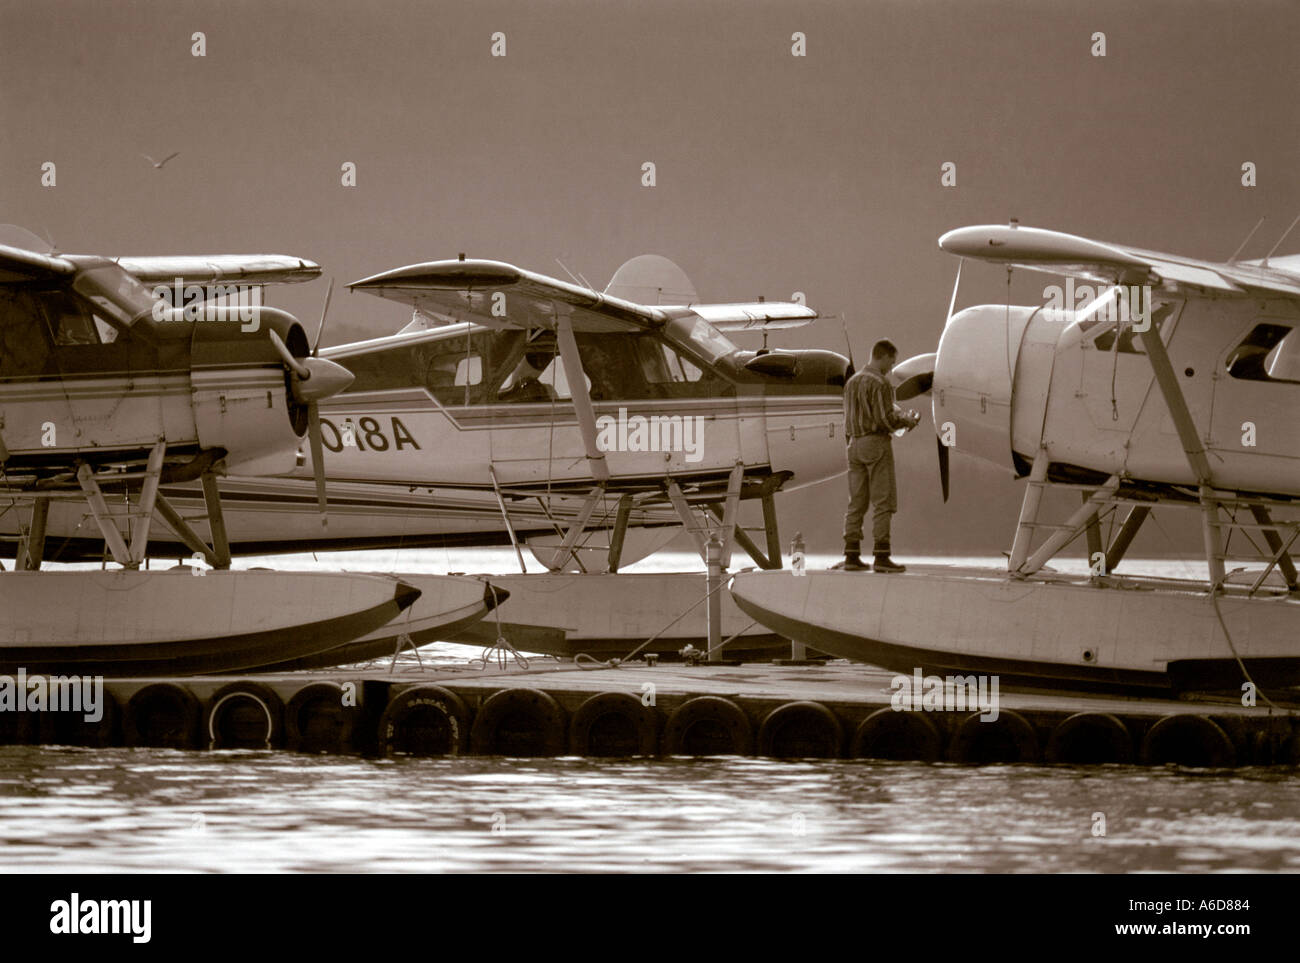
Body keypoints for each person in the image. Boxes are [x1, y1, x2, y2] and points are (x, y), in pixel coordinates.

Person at [841, 339, 920, 572]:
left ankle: (851, 555)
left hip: (853, 445)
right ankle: (881, 556)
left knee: (856, 502)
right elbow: (884, 420)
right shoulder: (881, 384)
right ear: (883, 356)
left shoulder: (851, 382)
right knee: (883, 502)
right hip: (875, 444)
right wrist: (907, 421)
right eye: (891, 361)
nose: (891, 367)